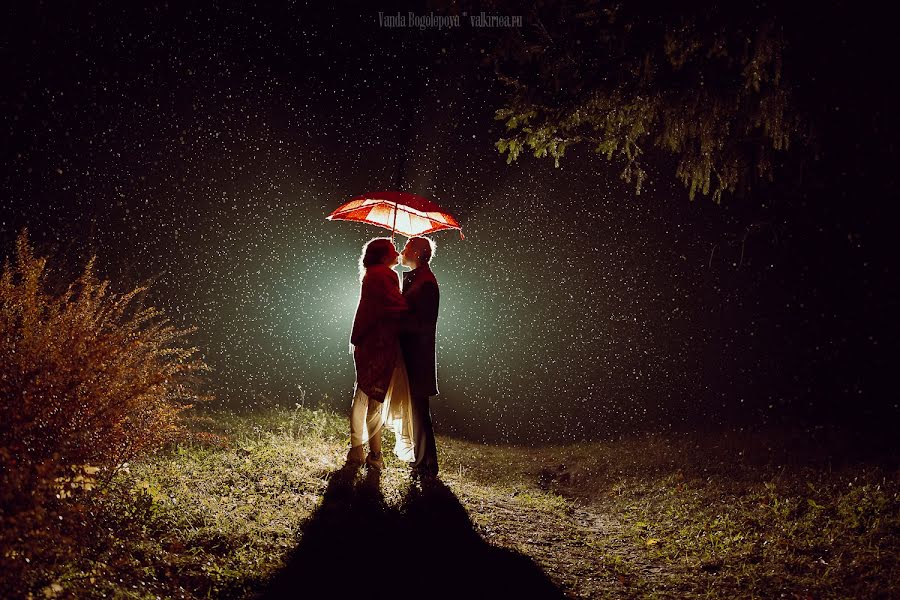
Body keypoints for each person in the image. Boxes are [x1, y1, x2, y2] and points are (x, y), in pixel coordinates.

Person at [346, 238, 416, 470]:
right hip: (379, 343)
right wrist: (411, 302)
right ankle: (374, 455)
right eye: (393, 249)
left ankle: (357, 449)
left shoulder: (371, 274)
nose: (398, 252)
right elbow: (396, 307)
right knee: (374, 397)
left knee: (363, 393)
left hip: (367, 341)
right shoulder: (384, 275)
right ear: (384, 255)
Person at [398, 236, 440, 478]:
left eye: (405, 247)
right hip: (414, 353)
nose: (401, 251)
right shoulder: (419, 279)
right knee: (416, 410)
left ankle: (426, 465)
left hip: (417, 355)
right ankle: (422, 462)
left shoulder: (425, 283)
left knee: (419, 410)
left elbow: (422, 323)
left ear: (415, 252)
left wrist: (397, 314)